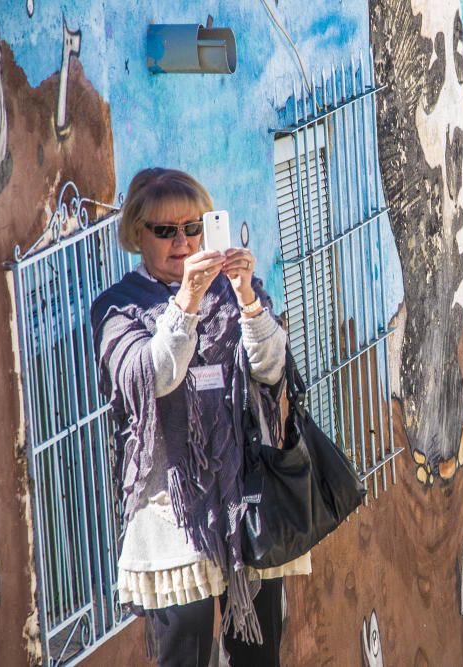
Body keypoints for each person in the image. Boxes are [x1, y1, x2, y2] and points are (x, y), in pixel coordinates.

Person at [92, 168, 309, 667]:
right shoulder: (117, 308)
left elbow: (274, 368)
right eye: (165, 231)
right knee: (182, 655)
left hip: (246, 505)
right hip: (171, 514)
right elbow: (150, 376)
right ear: (136, 235)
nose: (183, 241)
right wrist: (187, 302)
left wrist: (248, 298)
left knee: (259, 655)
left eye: (192, 227)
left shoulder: (234, 293)